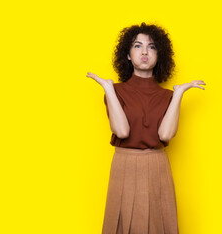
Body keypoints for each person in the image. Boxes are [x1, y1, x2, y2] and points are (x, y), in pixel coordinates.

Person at [87, 22, 205, 234]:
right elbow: (122, 132)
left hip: (157, 165)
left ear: (159, 55)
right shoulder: (115, 91)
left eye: (151, 47)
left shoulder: (168, 96)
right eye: (138, 46)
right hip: (123, 165)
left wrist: (178, 94)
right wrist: (108, 88)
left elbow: (165, 135)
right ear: (128, 55)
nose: (144, 51)